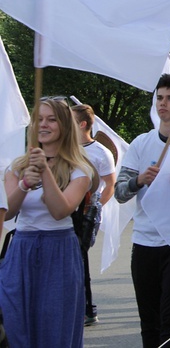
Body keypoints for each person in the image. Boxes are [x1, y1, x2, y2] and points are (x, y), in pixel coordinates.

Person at [0, 97, 97, 347]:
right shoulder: (17, 167)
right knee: (17, 322)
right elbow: (8, 212)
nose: (44, 125)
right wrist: (23, 185)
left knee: (56, 325)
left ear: (64, 125)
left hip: (59, 251)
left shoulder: (80, 169)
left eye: (51, 119)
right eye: (39, 119)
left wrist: (45, 171)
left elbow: (60, 210)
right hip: (21, 249)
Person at [114, 74, 170, 347]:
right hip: (144, 240)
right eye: (159, 98)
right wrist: (139, 180)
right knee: (148, 320)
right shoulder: (141, 143)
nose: (163, 104)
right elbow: (119, 192)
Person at [72, 104, 117, 326]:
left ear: (82, 124)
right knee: (73, 259)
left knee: (79, 258)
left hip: (88, 212)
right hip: (67, 210)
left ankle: (87, 309)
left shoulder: (101, 152)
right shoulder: (66, 147)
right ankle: (84, 307)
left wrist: (96, 205)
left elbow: (110, 184)